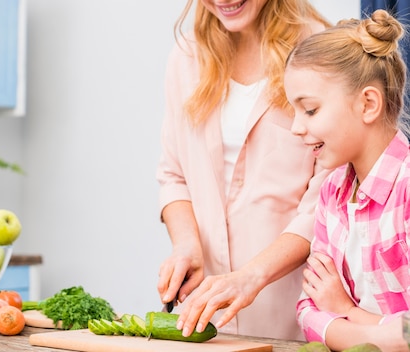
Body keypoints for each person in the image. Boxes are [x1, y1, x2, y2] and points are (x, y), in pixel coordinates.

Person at [155, 0, 332, 340]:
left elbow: (322, 204)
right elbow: (173, 176)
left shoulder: (319, 52)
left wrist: (252, 276)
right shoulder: (186, 56)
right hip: (206, 316)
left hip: (291, 314)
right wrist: (187, 245)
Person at [285, 9, 410, 351]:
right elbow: (308, 309)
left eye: (309, 110)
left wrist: (345, 311)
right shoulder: (331, 194)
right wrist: (383, 334)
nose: (296, 127)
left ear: (368, 104)